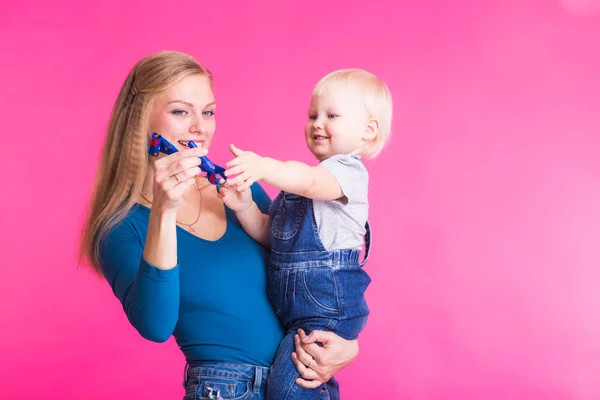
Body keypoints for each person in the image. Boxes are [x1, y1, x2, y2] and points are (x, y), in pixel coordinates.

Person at [78, 51, 360, 400]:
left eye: (207, 112)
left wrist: (347, 342)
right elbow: (155, 325)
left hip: (300, 382)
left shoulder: (239, 189)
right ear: (141, 119)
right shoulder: (121, 227)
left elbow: (305, 273)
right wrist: (164, 212)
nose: (200, 127)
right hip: (225, 388)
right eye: (181, 111)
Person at [218, 68, 393, 399]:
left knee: (289, 389)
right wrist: (243, 207)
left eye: (332, 115)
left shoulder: (346, 174)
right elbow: (273, 236)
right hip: (296, 314)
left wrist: (265, 167)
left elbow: (312, 181)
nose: (317, 123)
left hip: (327, 308)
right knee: (304, 386)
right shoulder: (296, 187)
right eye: (313, 114)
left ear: (368, 130)